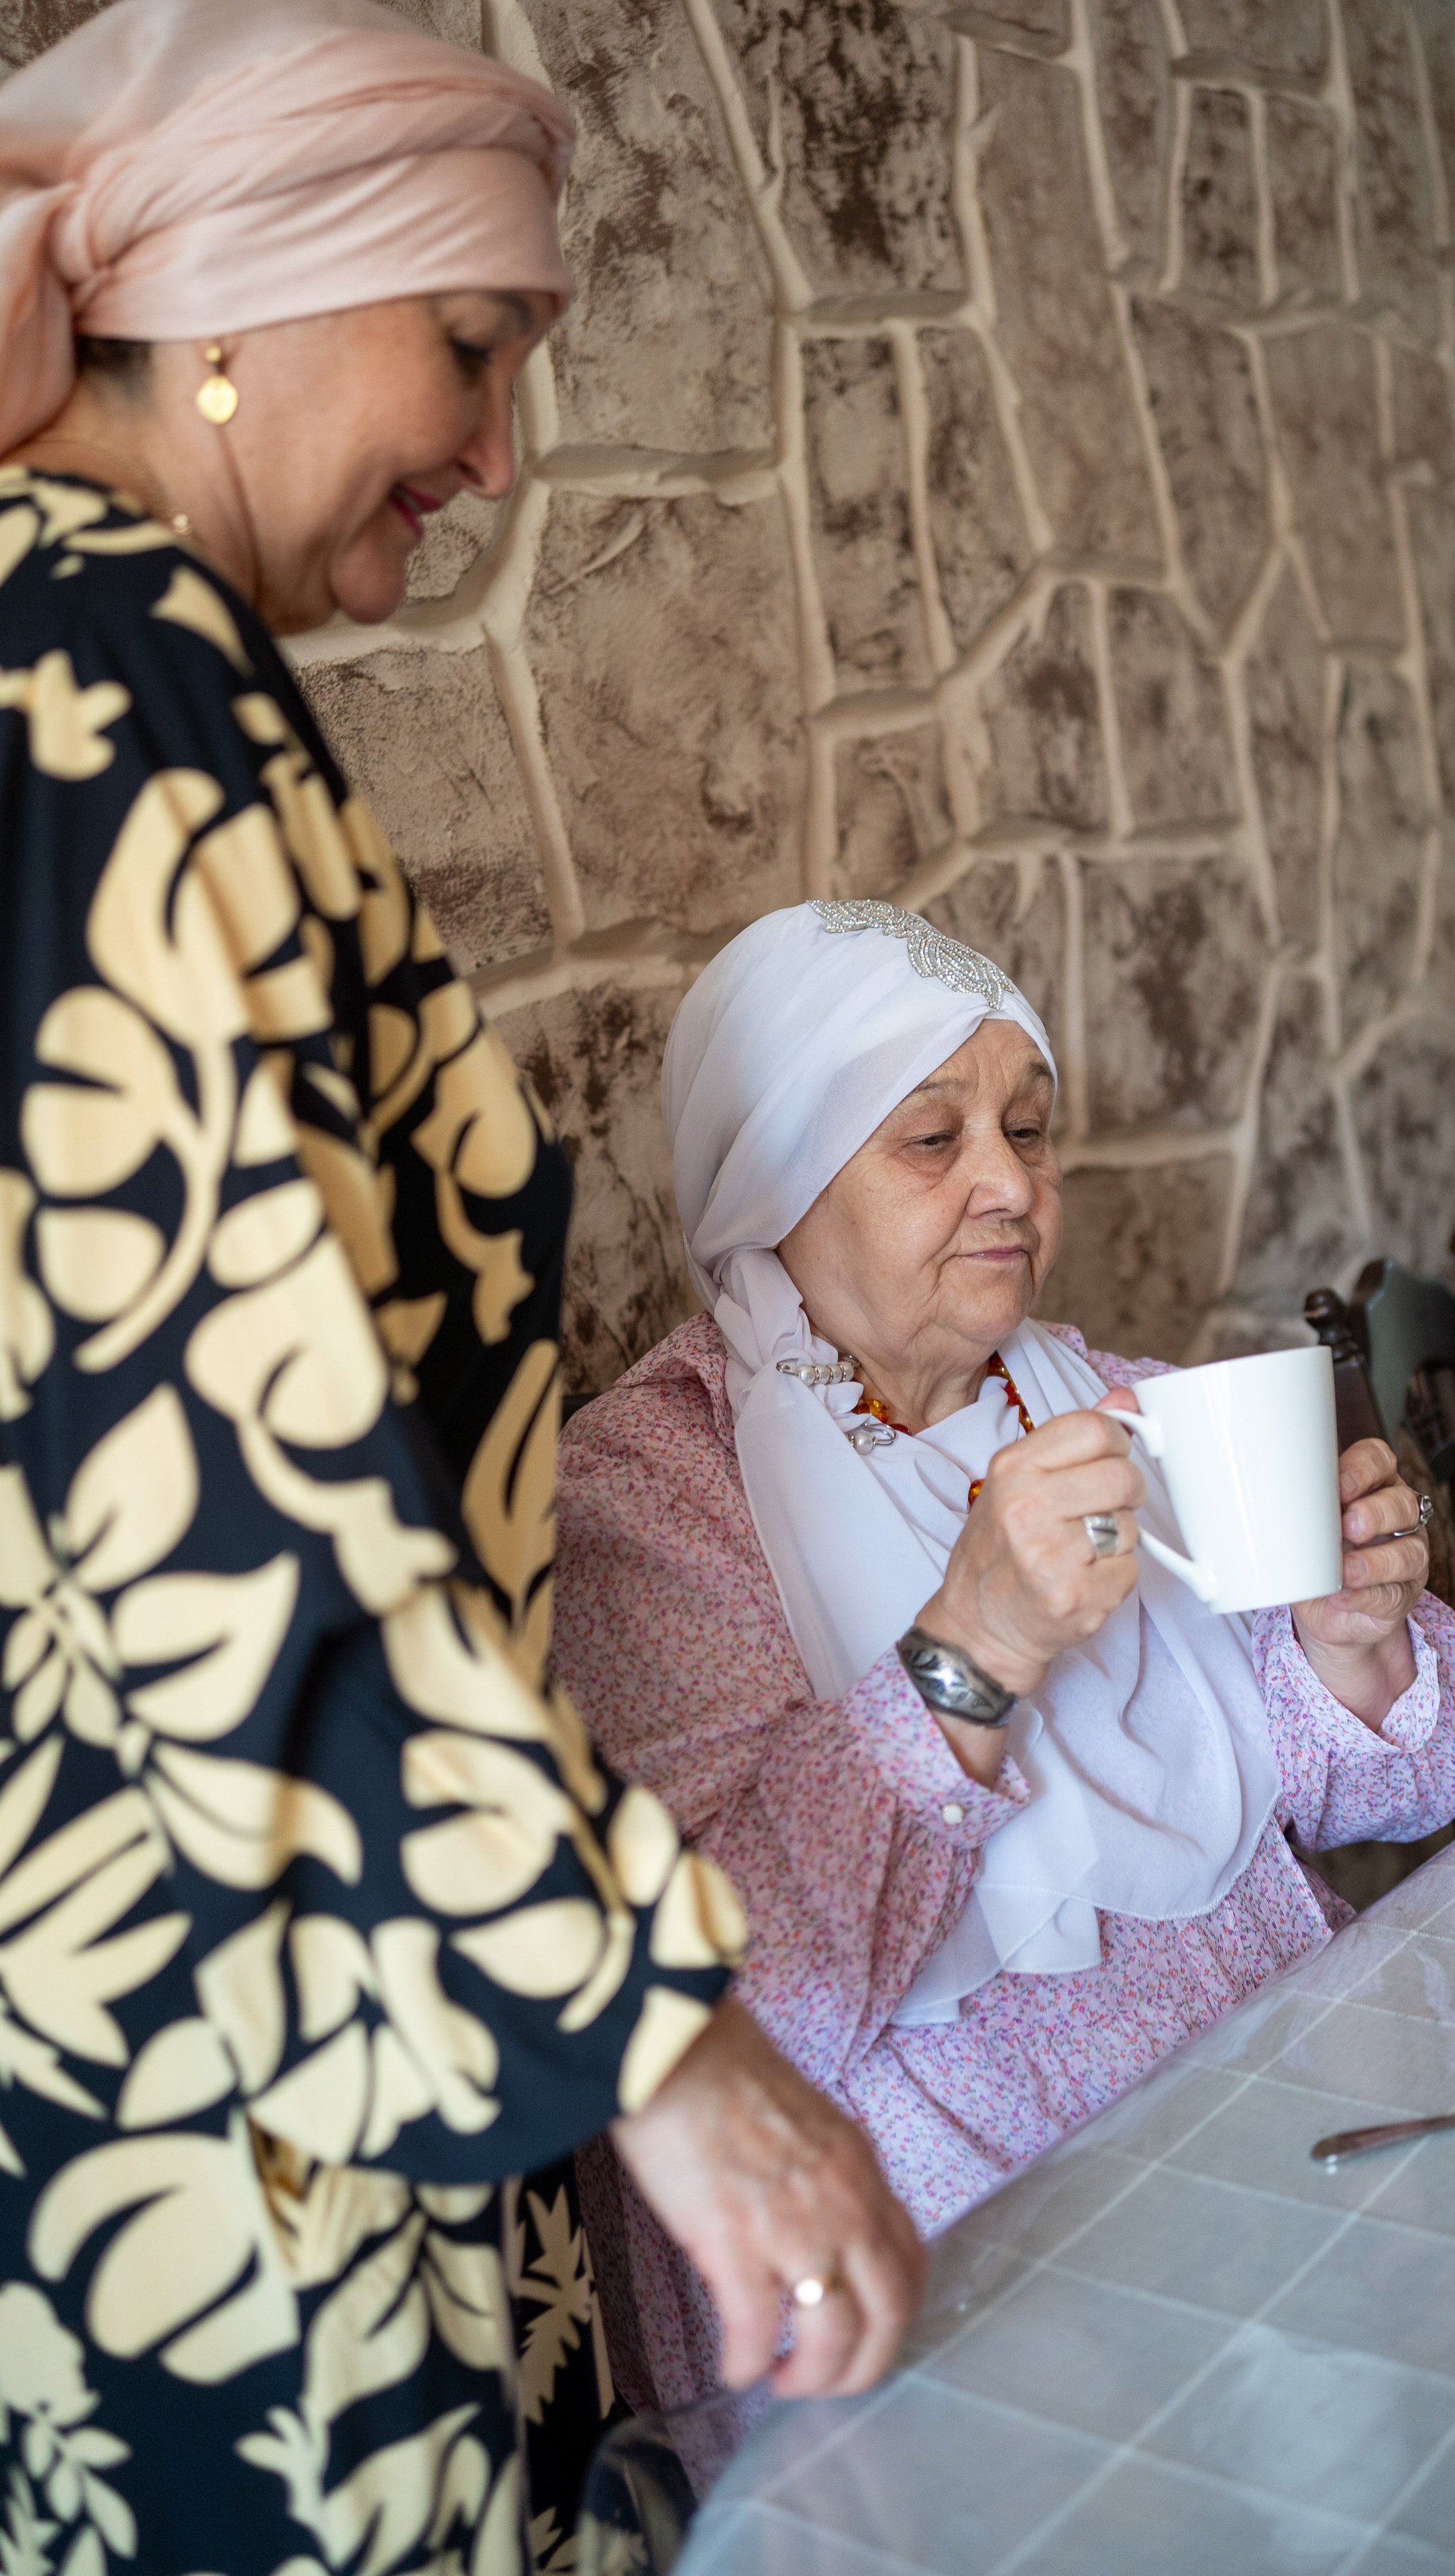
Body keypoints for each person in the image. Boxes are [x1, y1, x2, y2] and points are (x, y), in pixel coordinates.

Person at [0, 10, 921, 2572]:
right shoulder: (105, 681)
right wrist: (664, 2048)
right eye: (478, 346)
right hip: (243, 2060)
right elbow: (210, 1471)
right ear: (239, 303)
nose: (501, 455)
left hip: (277, 1966)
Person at [555, 898, 1455, 2412]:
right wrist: (975, 1641)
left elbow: (1377, 1792)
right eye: (929, 1140)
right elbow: (728, 2001)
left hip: (1290, 2114)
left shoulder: (1098, 1396)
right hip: (970, 2261)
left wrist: (1353, 1642)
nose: (1007, 1183)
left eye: (1027, 1126)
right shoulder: (647, 1502)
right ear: (774, 1179)